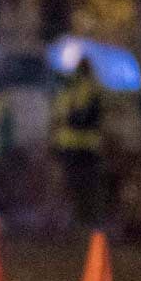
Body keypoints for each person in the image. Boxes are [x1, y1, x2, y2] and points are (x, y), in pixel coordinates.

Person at [51, 58, 106, 228]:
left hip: (75, 145)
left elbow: (72, 117)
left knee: (78, 185)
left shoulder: (75, 90)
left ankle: (79, 219)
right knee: (83, 186)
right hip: (82, 146)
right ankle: (81, 219)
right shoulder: (91, 89)